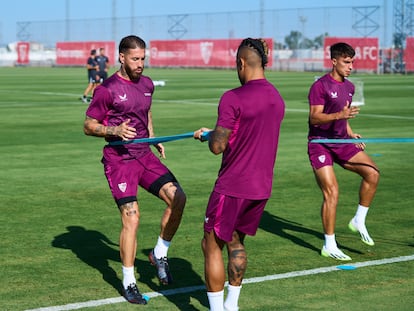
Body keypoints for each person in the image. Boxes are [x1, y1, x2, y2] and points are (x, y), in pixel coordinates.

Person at [83, 35, 186, 304]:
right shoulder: (107, 89)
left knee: (179, 198)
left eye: (143, 58)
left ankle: (159, 252)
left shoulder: (148, 84)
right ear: (121, 57)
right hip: (119, 160)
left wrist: (154, 138)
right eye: (135, 59)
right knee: (132, 217)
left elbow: (146, 112)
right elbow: (88, 125)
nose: (141, 64)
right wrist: (114, 130)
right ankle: (129, 281)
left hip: (144, 154)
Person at [194, 38, 285, 311]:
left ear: (241, 63)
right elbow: (248, 132)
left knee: (210, 244)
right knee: (236, 242)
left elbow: (217, 146)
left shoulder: (232, 97)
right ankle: (231, 305)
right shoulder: (276, 98)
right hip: (261, 188)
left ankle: (216, 309)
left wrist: (209, 135)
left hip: (232, 185)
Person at [307, 42, 380, 261]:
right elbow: (314, 118)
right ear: (334, 61)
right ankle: (329, 244)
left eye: (352, 62)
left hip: (341, 142)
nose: (350, 66)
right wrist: (338, 116)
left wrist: (351, 132)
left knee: (373, 173)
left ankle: (358, 219)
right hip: (320, 143)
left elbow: (344, 116)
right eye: (346, 62)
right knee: (332, 192)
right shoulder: (319, 86)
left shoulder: (349, 87)